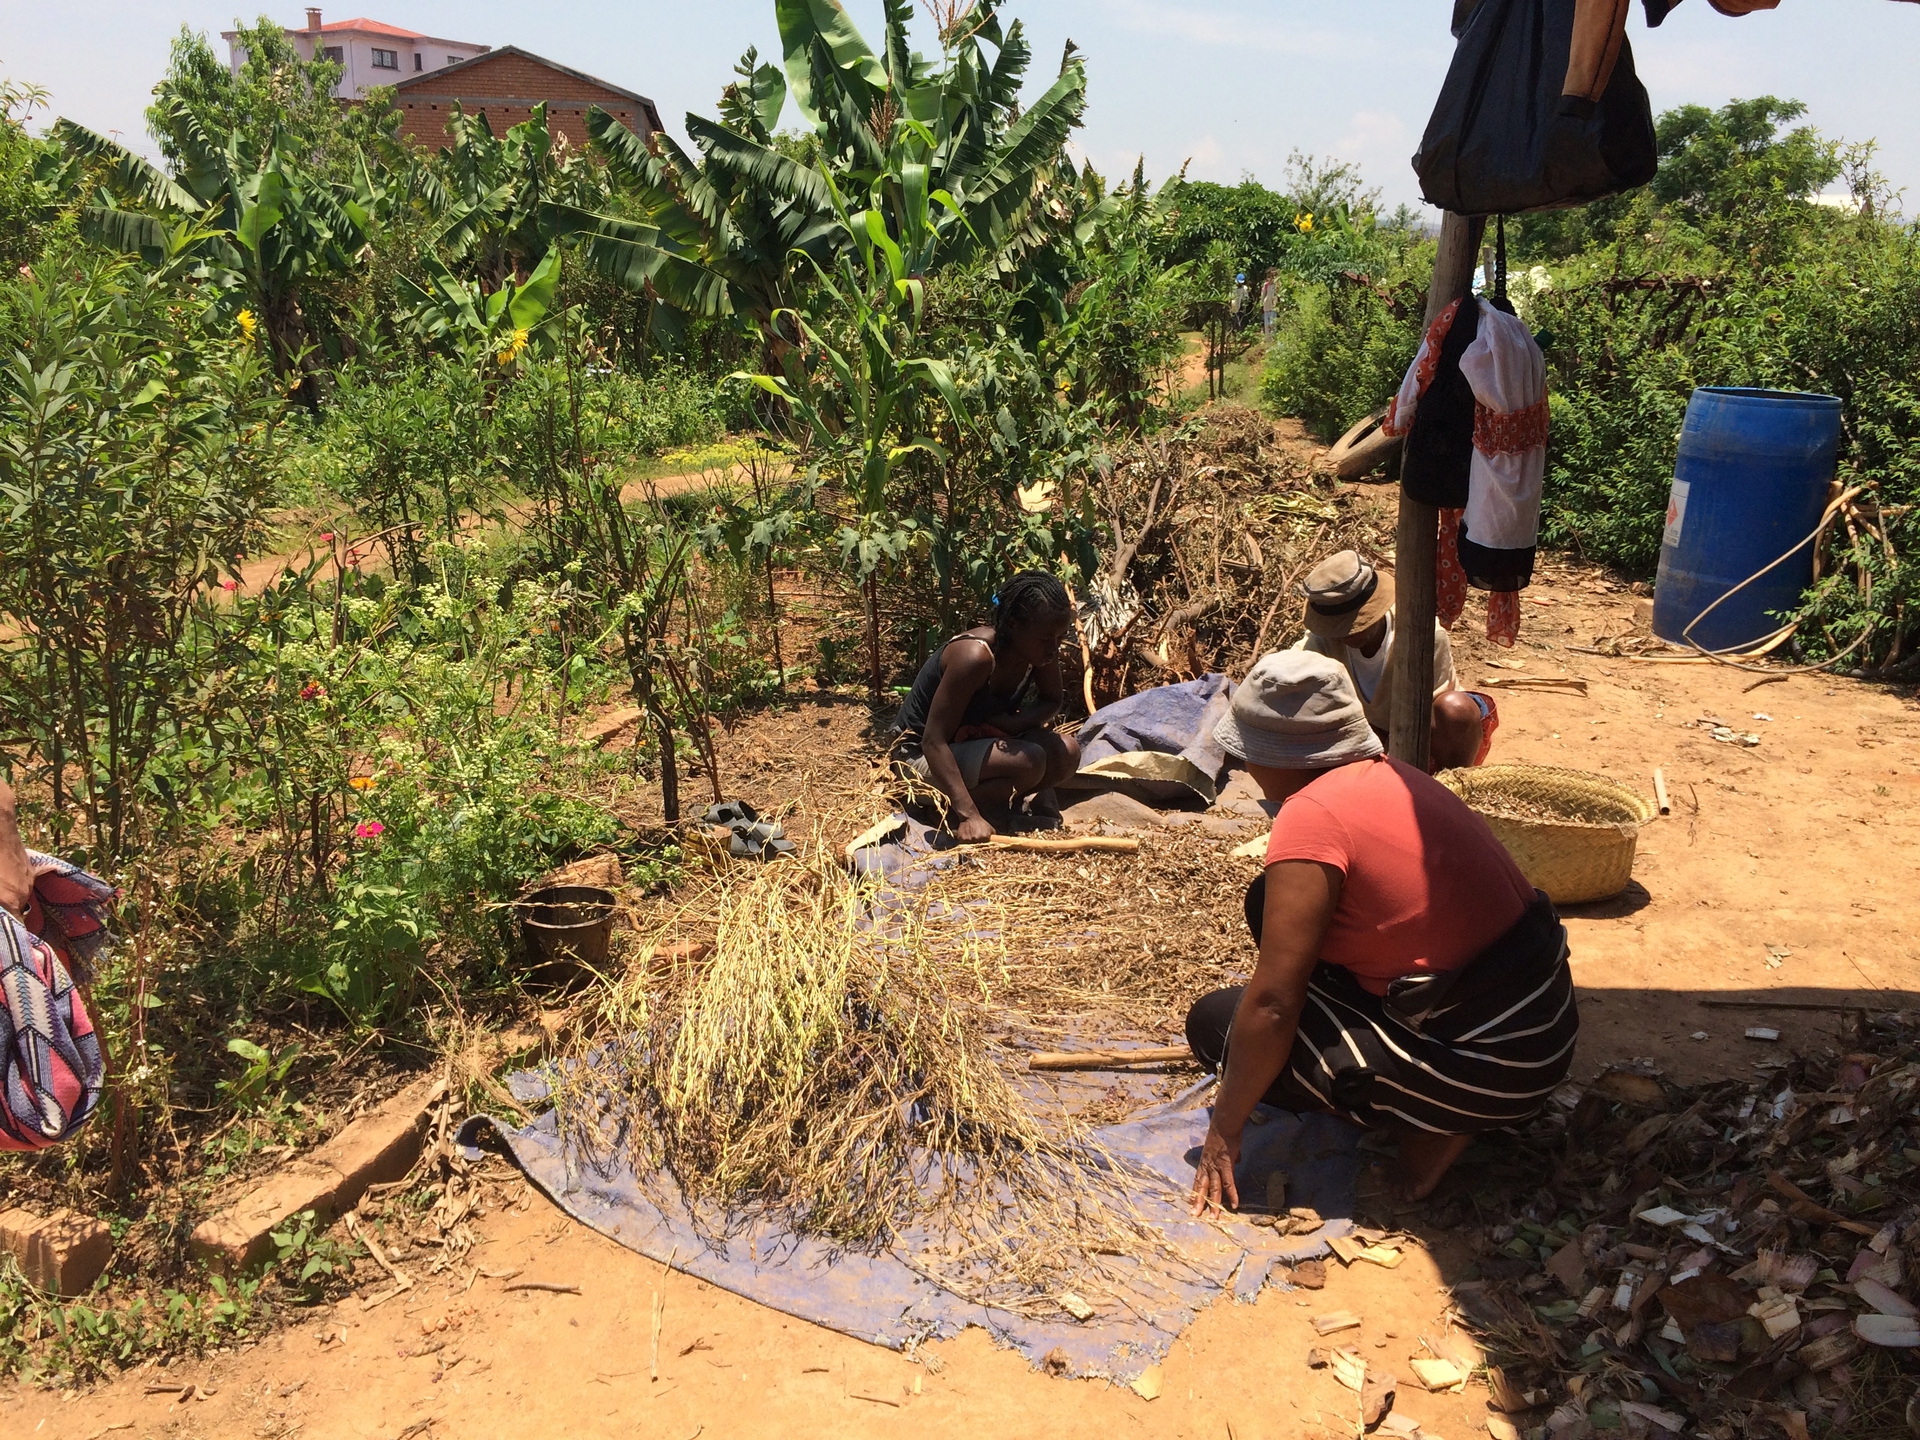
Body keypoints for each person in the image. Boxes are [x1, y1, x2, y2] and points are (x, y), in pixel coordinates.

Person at [1185, 652, 1576, 1211]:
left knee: (1216, 1026)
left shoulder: (1311, 816)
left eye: (1248, 753)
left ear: (1277, 754)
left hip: (1492, 1068)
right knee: (1265, 902)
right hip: (1540, 1029)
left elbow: (1273, 1004)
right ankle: (1420, 1090)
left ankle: (1433, 1122)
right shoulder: (1399, 776)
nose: (1245, 767)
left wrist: (1224, 1127)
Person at [891, 571, 1082, 843]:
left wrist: (1011, 725)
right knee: (1030, 760)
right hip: (917, 759)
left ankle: (989, 807)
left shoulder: (1038, 653)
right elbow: (932, 741)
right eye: (1045, 639)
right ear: (1013, 625)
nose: (1054, 648)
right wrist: (968, 815)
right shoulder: (975, 657)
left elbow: (1051, 700)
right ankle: (950, 811)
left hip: (970, 747)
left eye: (1060, 638)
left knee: (1067, 753)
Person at [1291, 550, 1496, 771]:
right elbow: (1290, 672)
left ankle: (1453, 784)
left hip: (1426, 739)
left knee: (1455, 708)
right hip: (1364, 736)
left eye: (1356, 625)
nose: (1348, 634)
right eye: (1340, 628)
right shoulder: (1322, 642)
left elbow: (1425, 719)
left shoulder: (1422, 636)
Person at [1259, 270, 1278, 338]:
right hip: (1266, 305)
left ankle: (1273, 338)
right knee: (1267, 323)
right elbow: (1263, 295)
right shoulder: (1266, 285)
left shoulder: (1277, 285)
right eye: (1268, 277)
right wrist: (1262, 303)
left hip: (1274, 306)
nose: (1270, 279)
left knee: (1272, 323)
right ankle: (1267, 339)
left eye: (1272, 277)